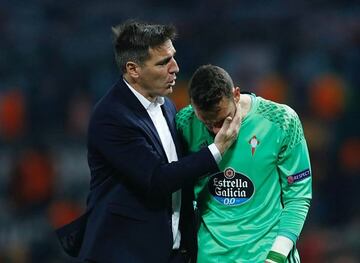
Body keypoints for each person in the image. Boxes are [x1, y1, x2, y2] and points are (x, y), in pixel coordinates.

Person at [56, 22, 241, 263]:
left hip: (172, 253)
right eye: (163, 63)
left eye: (173, 57)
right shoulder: (112, 116)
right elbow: (157, 179)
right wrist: (217, 149)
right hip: (125, 254)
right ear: (133, 69)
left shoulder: (167, 106)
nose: (175, 68)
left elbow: (180, 175)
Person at [176, 65, 312, 263]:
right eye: (207, 122)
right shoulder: (184, 122)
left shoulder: (281, 121)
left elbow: (298, 196)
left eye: (223, 120)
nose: (216, 130)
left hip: (267, 256)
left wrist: (277, 255)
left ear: (236, 95)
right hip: (210, 257)